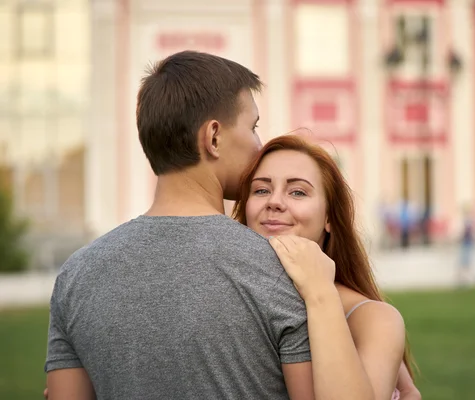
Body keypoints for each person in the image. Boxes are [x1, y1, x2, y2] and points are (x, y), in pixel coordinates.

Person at [44, 51, 315, 399]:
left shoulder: (76, 276)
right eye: (253, 127)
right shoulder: (282, 268)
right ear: (214, 137)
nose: (259, 145)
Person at [232, 135, 420, 400]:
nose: (274, 202)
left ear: (329, 216)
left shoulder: (372, 319)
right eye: (261, 190)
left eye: (297, 191)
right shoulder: (229, 294)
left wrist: (320, 291)